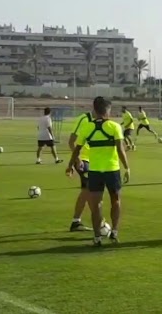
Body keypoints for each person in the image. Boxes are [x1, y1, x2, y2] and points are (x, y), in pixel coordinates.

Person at [66, 97, 130, 246]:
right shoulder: (115, 127)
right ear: (108, 110)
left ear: (94, 110)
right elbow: (120, 149)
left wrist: (70, 166)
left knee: (96, 204)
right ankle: (114, 232)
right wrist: (127, 167)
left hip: (95, 171)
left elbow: (77, 149)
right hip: (112, 170)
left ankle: (97, 238)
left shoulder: (87, 127)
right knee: (116, 201)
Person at [67, 108, 95, 232]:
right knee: (90, 191)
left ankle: (76, 222)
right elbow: (71, 142)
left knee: (86, 191)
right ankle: (100, 223)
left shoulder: (100, 121)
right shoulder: (84, 119)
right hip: (83, 160)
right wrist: (77, 159)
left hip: (92, 160)